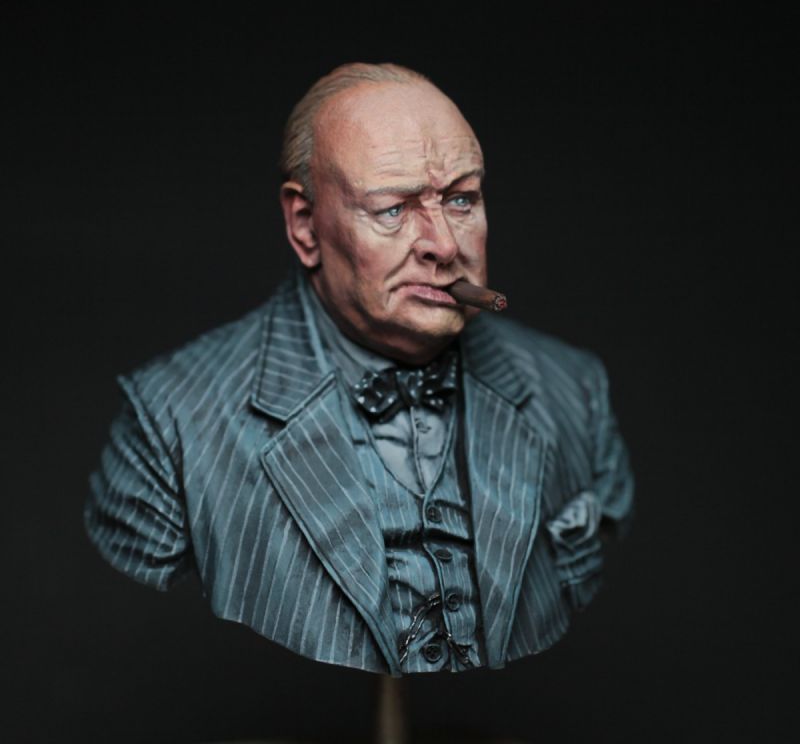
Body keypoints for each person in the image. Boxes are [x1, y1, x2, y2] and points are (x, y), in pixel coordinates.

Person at [84, 62, 635, 676]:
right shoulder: (170, 422)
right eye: (393, 209)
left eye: (461, 199)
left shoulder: (574, 390)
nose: (444, 245)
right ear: (305, 226)